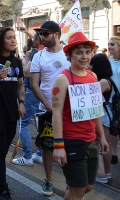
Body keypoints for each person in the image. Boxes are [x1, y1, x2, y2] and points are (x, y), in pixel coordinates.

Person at [52, 32, 109, 200]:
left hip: (90, 140)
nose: (84, 56)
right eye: (79, 52)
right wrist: (58, 146)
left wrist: (102, 137)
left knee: (87, 186)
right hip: (72, 141)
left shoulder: (93, 77)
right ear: (69, 55)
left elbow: (96, 109)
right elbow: (56, 113)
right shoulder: (63, 79)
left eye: (87, 51)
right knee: (78, 189)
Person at [30, 21, 70, 196]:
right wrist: (48, 105)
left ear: (56, 34)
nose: (42, 38)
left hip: (69, 110)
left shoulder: (69, 53)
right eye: (40, 35)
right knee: (48, 147)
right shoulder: (38, 56)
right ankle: (48, 180)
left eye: (45, 34)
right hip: (46, 111)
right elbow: (34, 84)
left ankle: (71, 181)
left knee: (69, 145)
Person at [0, 26, 25, 200]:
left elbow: (20, 85)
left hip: (12, 112)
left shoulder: (16, 62)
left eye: (14, 38)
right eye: (9, 37)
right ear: (0, 39)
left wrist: (22, 103)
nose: (13, 40)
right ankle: (3, 189)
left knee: (2, 149)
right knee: (1, 150)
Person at [12, 32, 44, 166]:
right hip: (45, 93)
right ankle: (40, 153)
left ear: (37, 39)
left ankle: (27, 157)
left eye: (33, 38)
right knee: (41, 124)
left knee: (23, 122)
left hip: (32, 91)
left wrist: (28, 57)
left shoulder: (37, 53)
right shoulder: (50, 52)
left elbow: (26, 73)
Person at [90, 53, 113, 183]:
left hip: (102, 114)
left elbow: (91, 94)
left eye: (92, 64)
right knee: (105, 143)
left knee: (100, 143)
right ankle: (107, 172)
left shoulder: (103, 81)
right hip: (107, 113)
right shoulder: (108, 79)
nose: (90, 66)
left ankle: (101, 173)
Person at [108, 36, 120, 164]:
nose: (110, 47)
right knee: (114, 127)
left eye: (112, 44)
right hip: (111, 99)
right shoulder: (108, 60)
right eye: (109, 44)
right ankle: (113, 153)